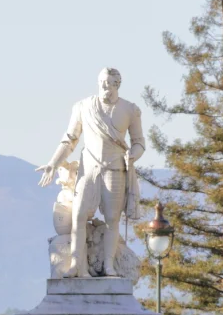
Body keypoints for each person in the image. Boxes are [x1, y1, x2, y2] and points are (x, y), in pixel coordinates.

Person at [36, 67, 145, 277]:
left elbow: (139, 142)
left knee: (113, 219)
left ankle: (108, 265)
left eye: (110, 83)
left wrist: (133, 155)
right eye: (102, 82)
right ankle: (78, 265)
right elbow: (69, 140)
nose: (105, 86)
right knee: (78, 215)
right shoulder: (83, 107)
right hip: (89, 168)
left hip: (115, 168)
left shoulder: (130, 110)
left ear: (117, 84)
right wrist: (53, 163)